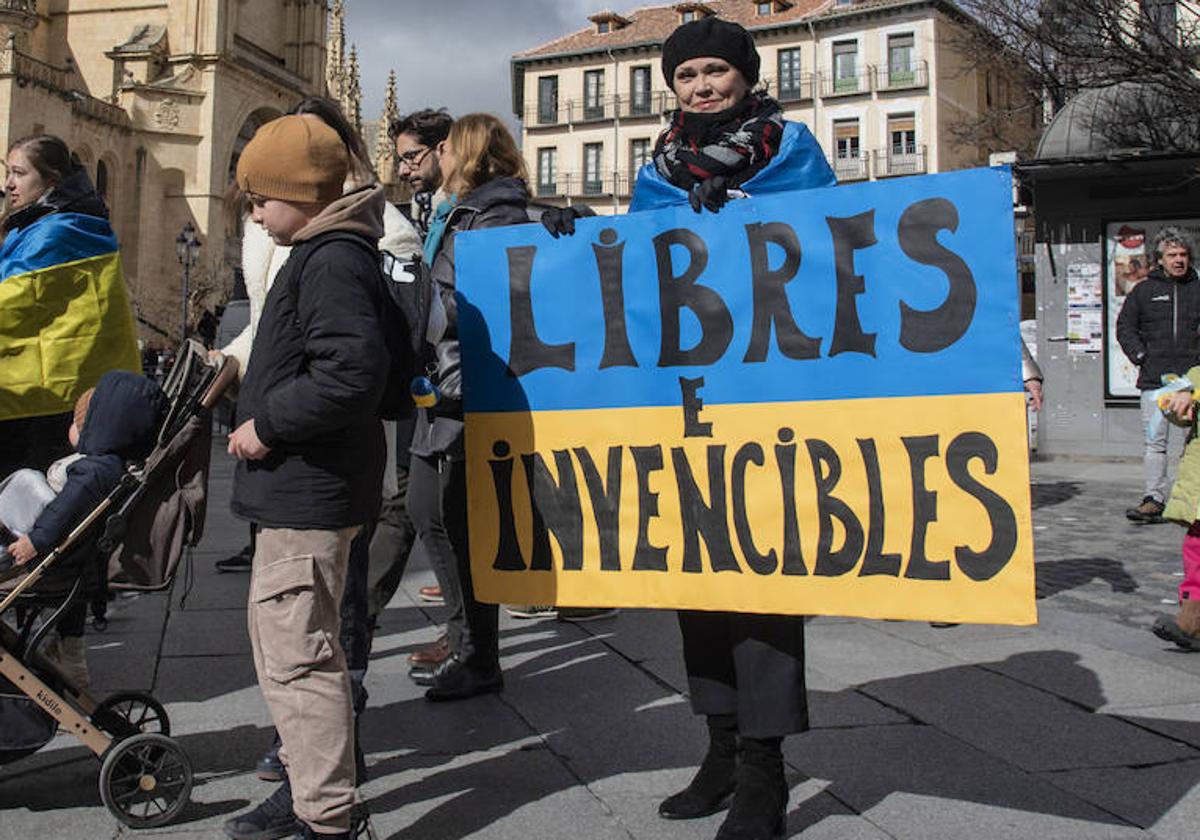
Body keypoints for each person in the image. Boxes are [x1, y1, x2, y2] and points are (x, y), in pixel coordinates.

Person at [631, 19, 834, 840]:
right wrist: (582, 238)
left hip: (772, 402)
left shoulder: (793, 150)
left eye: (716, 70)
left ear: (745, 77)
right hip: (686, 405)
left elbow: (834, 250)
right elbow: (637, 276)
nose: (702, 86)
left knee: (760, 586)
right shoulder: (656, 170)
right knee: (697, 584)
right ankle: (718, 750)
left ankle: (765, 775)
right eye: (687, 75)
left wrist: (745, 216)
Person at [222, 113, 389, 840]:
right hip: (304, 489)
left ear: (300, 192)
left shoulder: (330, 260)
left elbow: (350, 373)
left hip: (308, 492)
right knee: (293, 652)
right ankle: (307, 789)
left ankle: (326, 817)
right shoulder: (327, 251)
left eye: (261, 198)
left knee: (300, 660)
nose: (254, 214)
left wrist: (267, 423)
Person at [405, 113, 533, 701]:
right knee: (428, 509)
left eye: (450, 148)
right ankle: (467, 640)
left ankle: (478, 651)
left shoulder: (494, 214)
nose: (441, 156)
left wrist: (420, 307)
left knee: (455, 520)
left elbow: (492, 303)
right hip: (444, 381)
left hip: (466, 387)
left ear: (473, 154)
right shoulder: (463, 211)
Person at [1, 372, 167, 685]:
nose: (72, 428)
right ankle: (68, 654)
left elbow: (64, 510)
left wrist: (35, 541)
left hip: (43, 553)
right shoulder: (107, 465)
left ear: (98, 428)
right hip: (70, 560)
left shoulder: (95, 470)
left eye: (79, 423)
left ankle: (69, 658)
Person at [0, 134, 141, 477]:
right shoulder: (60, 221)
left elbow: (11, 304)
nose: (8, 184)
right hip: (55, 392)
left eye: (19, 173)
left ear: (51, 180)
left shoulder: (58, 231)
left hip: (45, 401)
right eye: (7, 172)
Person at [1117, 227, 1200, 523]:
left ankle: (1191, 500)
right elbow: (1125, 327)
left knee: (1194, 443)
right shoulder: (1144, 291)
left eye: (1183, 255)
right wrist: (1142, 358)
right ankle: (1154, 498)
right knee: (1155, 442)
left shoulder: (1197, 288)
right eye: (1172, 255)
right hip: (1155, 382)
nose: (1179, 260)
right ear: (1159, 260)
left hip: (1193, 384)